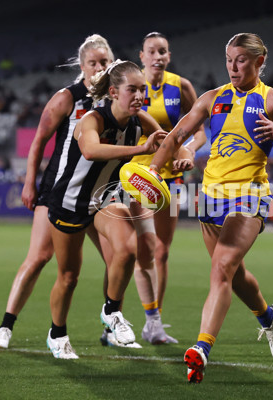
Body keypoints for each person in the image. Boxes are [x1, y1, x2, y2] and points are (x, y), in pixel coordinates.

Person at [149, 33, 273, 383]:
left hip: (250, 193)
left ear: (259, 61)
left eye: (240, 59)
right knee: (233, 275)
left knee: (222, 267)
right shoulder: (213, 98)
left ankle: (201, 349)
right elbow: (177, 136)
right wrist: (152, 170)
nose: (232, 66)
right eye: (228, 59)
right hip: (210, 195)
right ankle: (268, 316)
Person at [0, 34, 115, 350]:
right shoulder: (67, 98)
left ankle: (111, 324)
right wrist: (30, 182)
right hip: (59, 192)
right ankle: (6, 326)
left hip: (97, 197)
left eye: (105, 61)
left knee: (119, 258)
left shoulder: (118, 101)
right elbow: (38, 141)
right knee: (39, 257)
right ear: (82, 65)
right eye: (93, 63)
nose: (100, 67)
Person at [45, 59, 169, 358]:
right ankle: (57, 334)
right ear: (113, 92)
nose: (139, 96)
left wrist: (181, 156)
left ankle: (112, 312)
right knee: (69, 276)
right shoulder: (92, 120)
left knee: (128, 249)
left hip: (104, 198)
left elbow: (169, 140)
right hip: (70, 200)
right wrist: (141, 149)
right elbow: (91, 150)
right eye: (132, 90)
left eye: (143, 90)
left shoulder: (140, 120)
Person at [127, 32, 207, 345]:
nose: (158, 56)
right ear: (142, 56)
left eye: (163, 51)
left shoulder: (181, 86)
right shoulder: (131, 86)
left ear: (168, 56)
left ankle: (154, 323)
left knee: (161, 250)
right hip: (136, 177)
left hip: (171, 181)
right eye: (152, 51)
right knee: (135, 249)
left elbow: (200, 131)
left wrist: (188, 150)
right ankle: (115, 314)